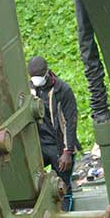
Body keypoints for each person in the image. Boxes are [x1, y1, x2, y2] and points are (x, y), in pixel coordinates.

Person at [27, 56, 79, 197]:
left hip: (59, 147)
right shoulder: (29, 89)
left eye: (39, 76)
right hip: (40, 146)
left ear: (47, 72)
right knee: (32, 182)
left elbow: (70, 122)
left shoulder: (63, 90)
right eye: (33, 77)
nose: (36, 80)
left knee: (63, 189)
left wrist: (67, 152)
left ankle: (65, 215)